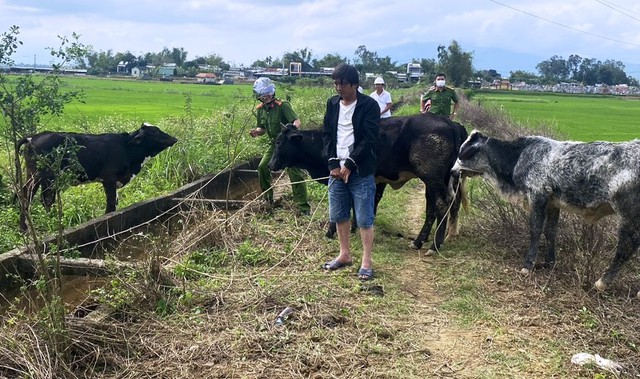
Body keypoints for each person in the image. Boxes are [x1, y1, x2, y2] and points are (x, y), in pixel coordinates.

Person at [321, 63, 380, 281]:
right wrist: (333, 164)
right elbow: (327, 134)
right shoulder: (333, 103)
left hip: (361, 170)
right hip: (337, 171)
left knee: (364, 217)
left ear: (354, 84)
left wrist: (351, 164)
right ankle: (344, 254)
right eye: (335, 83)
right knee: (339, 215)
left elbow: (370, 138)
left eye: (342, 84)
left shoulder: (369, 106)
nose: (338, 88)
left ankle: (366, 261)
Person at [249, 77, 310, 214]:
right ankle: (268, 200)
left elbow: (297, 122)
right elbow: (262, 128)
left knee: (294, 171)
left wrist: (292, 130)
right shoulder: (261, 109)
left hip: (288, 144)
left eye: (264, 94)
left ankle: (303, 207)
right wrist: (256, 132)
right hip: (275, 145)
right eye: (261, 95)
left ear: (269, 93)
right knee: (262, 167)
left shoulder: (282, 106)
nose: (263, 97)